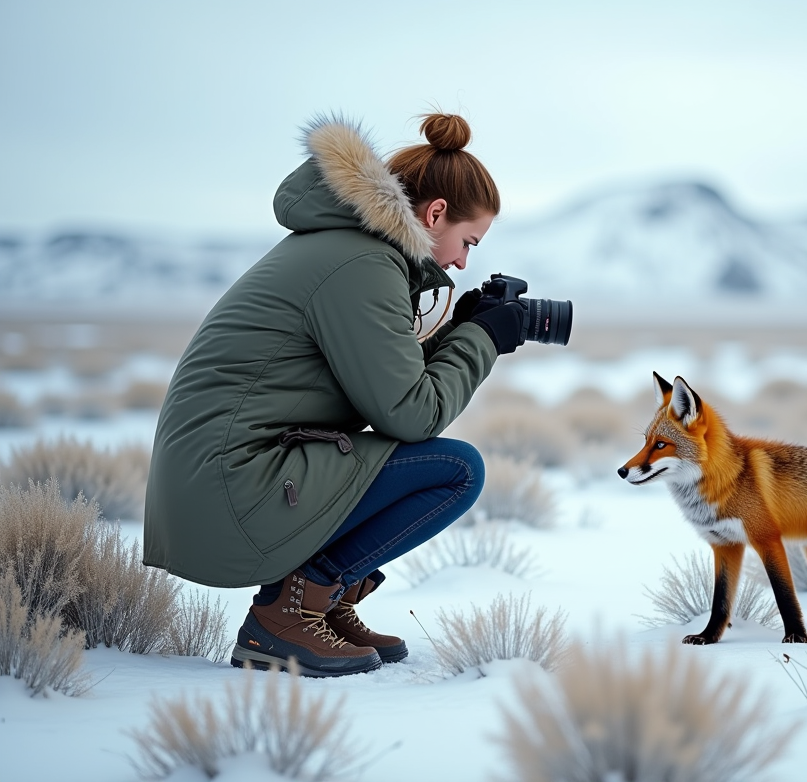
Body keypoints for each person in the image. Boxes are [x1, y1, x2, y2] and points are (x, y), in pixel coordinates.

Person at [143, 112, 529, 677]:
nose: (462, 262)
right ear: (436, 213)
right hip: (230, 486)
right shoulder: (363, 265)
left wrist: (458, 329)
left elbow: (376, 382)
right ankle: (290, 610)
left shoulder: (349, 249)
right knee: (456, 469)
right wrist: (481, 340)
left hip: (218, 479)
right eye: (467, 242)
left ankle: (322, 601)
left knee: (424, 462)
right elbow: (411, 412)